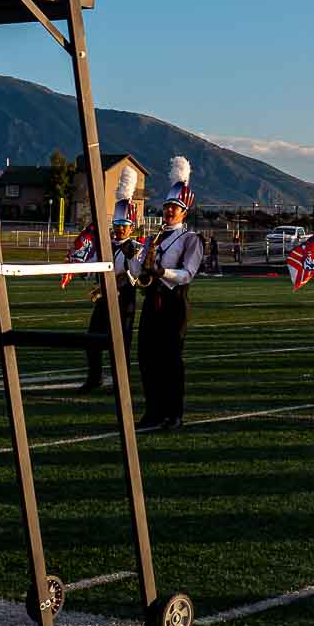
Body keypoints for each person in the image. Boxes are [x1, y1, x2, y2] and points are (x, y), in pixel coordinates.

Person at [137, 156, 205, 430]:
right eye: (166, 206)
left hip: (173, 303)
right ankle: (153, 411)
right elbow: (140, 269)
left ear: (184, 213)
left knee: (170, 360)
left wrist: (160, 272)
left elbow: (187, 273)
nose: (168, 211)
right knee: (147, 359)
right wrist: (135, 261)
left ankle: (174, 413)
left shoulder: (191, 239)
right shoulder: (153, 237)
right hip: (151, 300)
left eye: (174, 208)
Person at [74, 164, 141, 391]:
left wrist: (130, 261)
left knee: (121, 344)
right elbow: (92, 266)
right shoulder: (105, 245)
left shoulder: (137, 247)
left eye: (125, 225)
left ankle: (122, 383)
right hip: (103, 299)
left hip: (124, 300)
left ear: (132, 226)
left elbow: (136, 274)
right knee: (92, 340)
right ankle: (94, 379)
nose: (120, 229)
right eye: (118, 224)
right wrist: (81, 269)